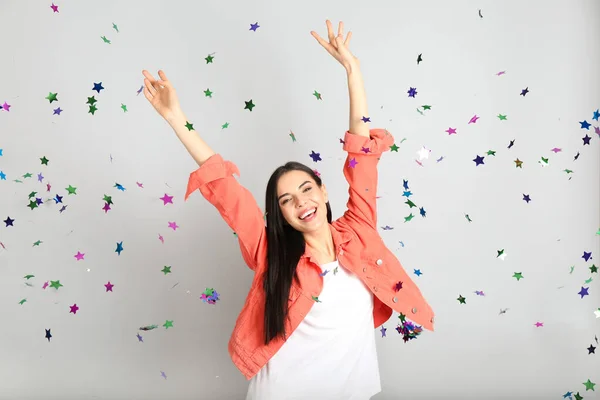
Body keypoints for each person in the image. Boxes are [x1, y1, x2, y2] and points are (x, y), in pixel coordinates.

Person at [143, 20, 434, 400]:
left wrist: (353, 70)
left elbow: (362, 155)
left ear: (324, 191)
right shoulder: (272, 252)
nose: (301, 203)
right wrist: (175, 118)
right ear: (280, 214)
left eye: (306, 189)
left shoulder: (359, 230)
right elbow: (225, 189)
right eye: (286, 200)